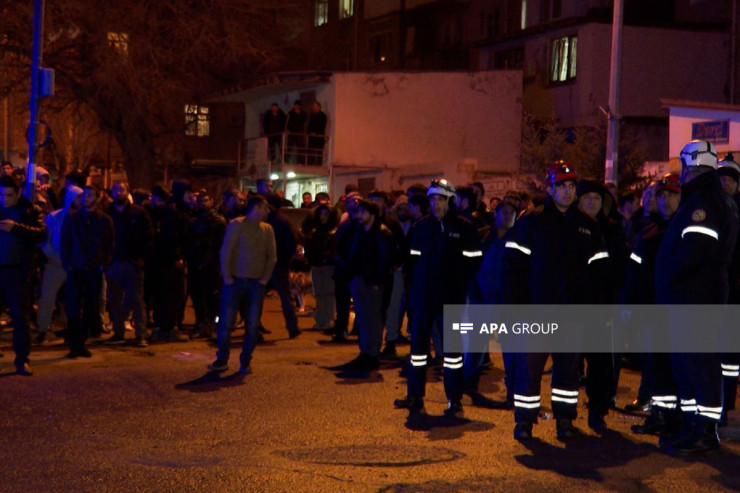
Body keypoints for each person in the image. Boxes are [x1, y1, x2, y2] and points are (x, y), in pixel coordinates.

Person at [502, 162, 607, 440]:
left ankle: (565, 420)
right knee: (530, 369)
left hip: (572, 313)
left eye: (572, 186)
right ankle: (524, 421)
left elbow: (598, 272)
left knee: (568, 372)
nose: (568, 191)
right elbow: (513, 266)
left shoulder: (587, 226)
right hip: (537, 310)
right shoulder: (532, 221)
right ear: (551, 189)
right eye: (562, 186)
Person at [656, 140, 738, 456]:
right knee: (690, 363)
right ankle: (695, 427)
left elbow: (694, 252)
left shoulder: (703, 201)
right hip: (700, 294)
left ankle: (704, 432)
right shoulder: (719, 199)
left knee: (699, 363)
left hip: (695, 297)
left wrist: (669, 277)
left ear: (691, 165)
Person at [394, 179, 482, 416]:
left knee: (452, 354)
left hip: (451, 297)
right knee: (418, 352)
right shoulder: (421, 226)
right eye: (432, 199)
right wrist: (415, 289)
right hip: (423, 298)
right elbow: (412, 261)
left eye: (441, 199)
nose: (436, 204)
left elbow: (474, 261)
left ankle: (455, 399)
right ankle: (414, 396)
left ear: (450, 200)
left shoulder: (463, 227)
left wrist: (458, 282)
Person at [627, 173, 681, 437]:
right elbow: (634, 274)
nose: (666, 200)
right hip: (651, 310)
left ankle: (676, 417)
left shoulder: (684, 231)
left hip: (677, 310)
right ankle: (661, 415)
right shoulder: (648, 234)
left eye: (672, 194)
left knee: (677, 366)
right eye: (663, 195)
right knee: (655, 365)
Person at [209, 195, 277, 374]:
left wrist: (264, 278)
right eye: (265, 208)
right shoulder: (236, 225)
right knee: (226, 323)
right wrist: (227, 277)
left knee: (252, 325)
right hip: (235, 281)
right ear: (256, 208)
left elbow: (272, 256)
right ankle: (222, 358)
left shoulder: (267, 229)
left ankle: (246, 360)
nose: (268, 211)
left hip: (256, 284)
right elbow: (226, 251)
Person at [337, 199, 393, 370]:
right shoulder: (359, 231)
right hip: (359, 278)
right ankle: (365, 353)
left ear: (373, 214)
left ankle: (371, 354)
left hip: (373, 282)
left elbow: (386, 260)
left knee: (373, 319)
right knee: (362, 318)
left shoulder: (382, 233)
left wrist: (376, 280)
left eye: (363, 212)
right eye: (358, 212)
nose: (359, 215)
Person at [61, 185, 114, 359]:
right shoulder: (72, 219)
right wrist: (68, 264)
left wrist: (102, 263)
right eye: (84, 195)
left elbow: (108, 244)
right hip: (76, 268)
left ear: (98, 198)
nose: (86, 198)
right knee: (74, 307)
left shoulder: (105, 221)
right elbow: (65, 242)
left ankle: (81, 343)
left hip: (93, 269)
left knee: (91, 307)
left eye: (91, 195)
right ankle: (74, 344)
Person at [0, 175, 47, 375]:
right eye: (1, 195)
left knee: (21, 318)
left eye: (8, 195)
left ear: (18, 193)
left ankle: (22, 359)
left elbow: (41, 233)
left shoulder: (30, 210)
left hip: (18, 271)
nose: (4, 199)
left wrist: (16, 228)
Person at [103, 182, 153, 347]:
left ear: (127, 192)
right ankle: (118, 333)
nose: (119, 193)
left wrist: (140, 258)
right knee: (115, 300)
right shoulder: (107, 213)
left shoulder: (138, 213)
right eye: (116, 190)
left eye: (122, 190)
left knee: (137, 299)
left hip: (133, 263)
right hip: (114, 263)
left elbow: (148, 236)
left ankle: (141, 334)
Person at [36, 186, 83, 345]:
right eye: (77, 198)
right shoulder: (54, 217)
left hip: (75, 265)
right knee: (47, 298)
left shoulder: (83, 217)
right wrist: (53, 255)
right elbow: (45, 240)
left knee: (75, 299)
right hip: (56, 264)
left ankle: (73, 329)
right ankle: (42, 329)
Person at [305, 203, 338, 331]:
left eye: (326, 214)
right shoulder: (314, 232)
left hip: (329, 267)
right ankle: (320, 320)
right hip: (317, 266)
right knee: (318, 294)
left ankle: (330, 319)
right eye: (321, 214)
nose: (323, 217)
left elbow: (335, 250)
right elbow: (309, 248)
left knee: (329, 294)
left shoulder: (334, 232)